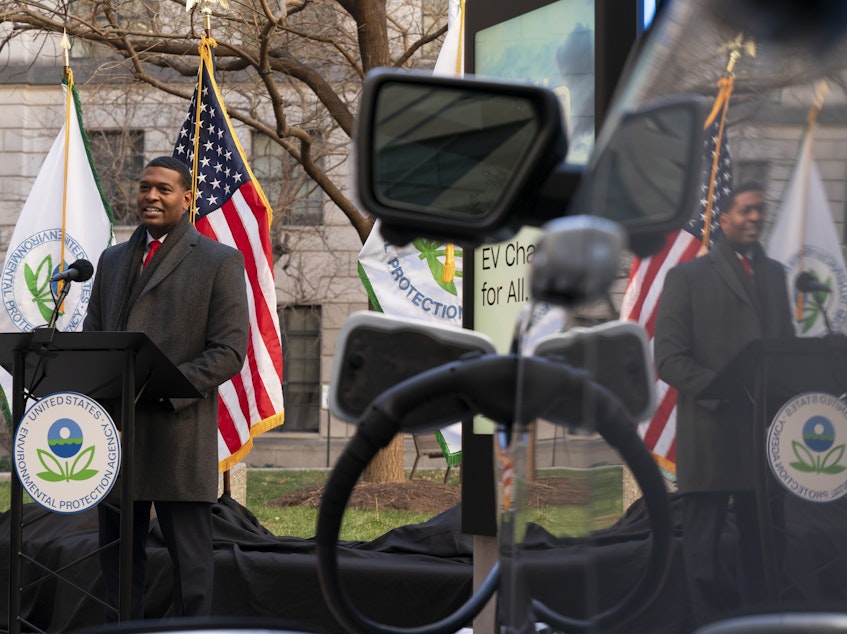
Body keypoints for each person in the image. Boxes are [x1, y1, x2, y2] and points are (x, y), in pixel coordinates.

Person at [84, 155, 249, 621]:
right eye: (144, 188)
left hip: (178, 434)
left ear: (187, 198)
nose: (151, 196)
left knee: (191, 570)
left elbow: (229, 351)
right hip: (116, 437)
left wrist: (166, 387)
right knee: (118, 567)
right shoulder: (112, 260)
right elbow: (96, 336)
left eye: (163, 189)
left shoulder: (220, 261)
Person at [653, 182, 795, 627]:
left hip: (764, 440)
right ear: (723, 219)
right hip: (712, 437)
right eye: (747, 210)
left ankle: (760, 624)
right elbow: (669, 359)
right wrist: (725, 389)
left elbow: (785, 350)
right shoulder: (687, 278)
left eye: (761, 210)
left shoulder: (774, 275)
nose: (756, 218)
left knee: (765, 550)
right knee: (704, 554)